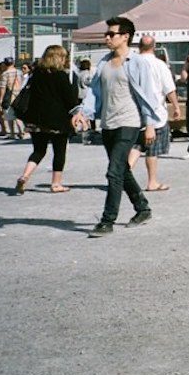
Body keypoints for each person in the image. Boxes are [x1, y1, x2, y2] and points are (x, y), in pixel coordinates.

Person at [70, 17, 163, 237]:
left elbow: (149, 96)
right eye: (107, 34)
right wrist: (83, 112)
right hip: (108, 123)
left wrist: (149, 124)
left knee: (113, 172)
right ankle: (143, 208)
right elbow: (94, 92)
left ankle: (107, 221)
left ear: (125, 37)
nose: (107, 38)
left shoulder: (138, 63)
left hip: (129, 123)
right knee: (123, 169)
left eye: (112, 34)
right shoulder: (103, 62)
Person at [13, 45, 79, 195]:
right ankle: (56, 184)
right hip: (58, 120)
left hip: (36, 119)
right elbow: (70, 99)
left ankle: (25, 176)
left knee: (38, 150)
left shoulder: (36, 74)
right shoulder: (61, 76)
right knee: (59, 151)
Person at [127, 35, 181, 191]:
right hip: (155, 111)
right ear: (154, 47)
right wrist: (176, 106)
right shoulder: (159, 64)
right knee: (152, 149)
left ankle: (126, 172)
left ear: (139, 46)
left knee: (137, 145)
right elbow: (168, 88)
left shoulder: (131, 63)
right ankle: (152, 181)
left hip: (135, 111)